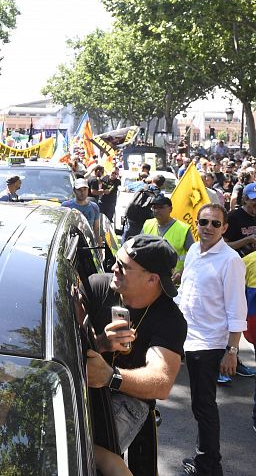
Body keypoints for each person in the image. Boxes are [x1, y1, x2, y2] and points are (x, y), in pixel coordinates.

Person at [86, 235, 186, 461]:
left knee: (88, 459)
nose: (113, 268)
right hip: (82, 387)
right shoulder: (97, 285)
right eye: (115, 260)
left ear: (152, 279)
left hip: (129, 398)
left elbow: (161, 381)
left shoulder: (170, 319)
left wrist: (111, 377)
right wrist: (101, 343)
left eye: (123, 266)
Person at [178, 203, 247, 475]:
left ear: (225, 228)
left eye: (215, 224)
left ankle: (209, 466)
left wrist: (232, 350)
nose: (208, 228)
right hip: (187, 339)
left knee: (204, 408)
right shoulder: (194, 250)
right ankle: (204, 459)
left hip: (210, 345)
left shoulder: (231, 260)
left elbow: (236, 309)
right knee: (199, 406)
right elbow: (185, 294)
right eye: (204, 222)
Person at [141, 195, 193, 281]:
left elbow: (194, 255)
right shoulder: (148, 224)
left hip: (172, 280)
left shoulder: (183, 229)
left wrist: (182, 272)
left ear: (170, 209)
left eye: (161, 207)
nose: (157, 211)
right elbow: (139, 248)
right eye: (154, 207)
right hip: (150, 278)